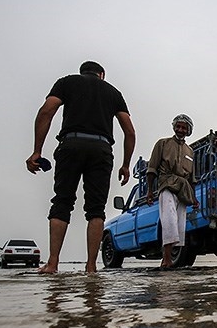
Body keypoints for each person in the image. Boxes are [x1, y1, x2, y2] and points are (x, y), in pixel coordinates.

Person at [27, 60, 136, 274]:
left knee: (62, 201)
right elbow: (130, 132)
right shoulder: (113, 93)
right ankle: (91, 266)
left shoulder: (67, 82)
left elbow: (46, 111)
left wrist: (37, 150)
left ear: (82, 72)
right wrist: (125, 165)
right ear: (101, 74)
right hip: (101, 149)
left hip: (71, 144)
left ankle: (52, 263)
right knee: (96, 208)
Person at [146, 114, 199, 268]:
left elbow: (192, 178)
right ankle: (166, 259)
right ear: (174, 127)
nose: (180, 130)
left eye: (184, 127)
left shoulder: (190, 151)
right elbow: (152, 169)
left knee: (180, 224)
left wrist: (194, 198)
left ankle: (175, 260)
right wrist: (150, 191)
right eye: (178, 126)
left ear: (188, 130)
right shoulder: (162, 143)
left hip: (183, 189)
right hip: (166, 185)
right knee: (168, 220)